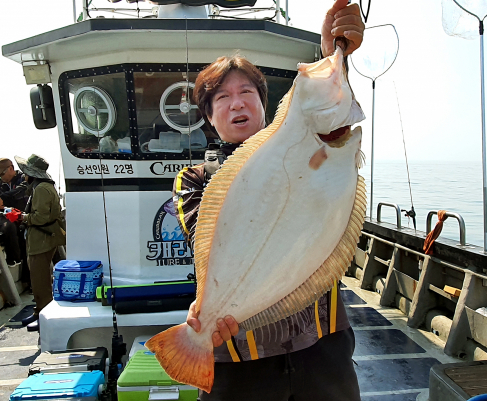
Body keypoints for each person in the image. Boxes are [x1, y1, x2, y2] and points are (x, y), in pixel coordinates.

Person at [172, 2, 365, 400]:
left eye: (246, 92)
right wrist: (206, 314)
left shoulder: (313, 146)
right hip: (239, 364)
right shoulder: (193, 180)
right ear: (209, 116)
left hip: (323, 352)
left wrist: (336, 55)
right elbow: (207, 247)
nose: (237, 103)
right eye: (222, 97)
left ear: (265, 105)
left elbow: (330, 114)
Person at [13, 154, 65, 332]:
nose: (23, 175)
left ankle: (44, 315)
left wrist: (21, 217)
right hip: (43, 238)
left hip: (41, 239)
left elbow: (41, 217)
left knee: (40, 280)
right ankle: (38, 312)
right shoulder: (42, 186)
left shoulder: (41, 188)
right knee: (39, 277)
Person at [0, 158, 29, 269]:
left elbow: (23, 189)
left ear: (11, 168)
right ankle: (14, 258)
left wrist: (3, 197)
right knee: (8, 227)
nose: (1, 177)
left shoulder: (23, 179)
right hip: (5, 217)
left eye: (2, 174)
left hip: (23, 216)